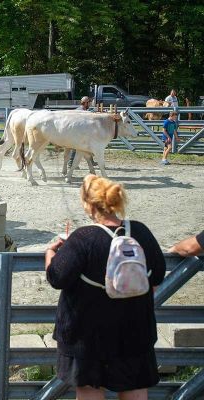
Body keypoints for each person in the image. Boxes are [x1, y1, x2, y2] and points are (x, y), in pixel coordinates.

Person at [45, 175, 165, 400]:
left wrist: (50, 254)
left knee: (89, 390)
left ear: (88, 205)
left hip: (88, 337)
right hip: (135, 331)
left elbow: (57, 278)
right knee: (135, 388)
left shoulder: (83, 238)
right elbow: (157, 276)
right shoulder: (141, 232)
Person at [68, 96, 96, 169]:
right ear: (85, 103)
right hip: (77, 133)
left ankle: (91, 161)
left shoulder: (84, 110)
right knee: (75, 148)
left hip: (81, 133)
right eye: (88, 103)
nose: (89, 104)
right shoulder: (80, 111)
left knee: (88, 147)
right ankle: (71, 162)